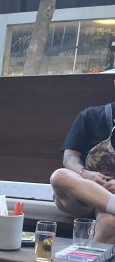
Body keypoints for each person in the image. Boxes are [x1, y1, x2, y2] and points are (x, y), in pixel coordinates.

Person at [50, 82, 115, 244]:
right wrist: (86, 174)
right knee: (59, 176)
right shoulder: (90, 116)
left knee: (108, 224)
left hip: (111, 197)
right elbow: (69, 157)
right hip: (82, 195)